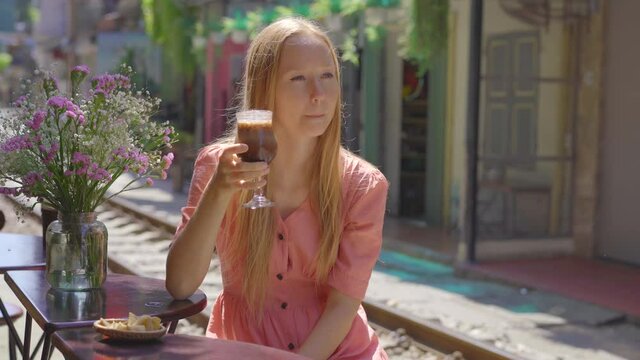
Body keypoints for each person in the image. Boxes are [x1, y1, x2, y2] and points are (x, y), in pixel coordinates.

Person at [166, 18, 389, 360]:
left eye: (328, 76)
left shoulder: (362, 185)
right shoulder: (217, 165)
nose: (318, 94)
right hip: (244, 349)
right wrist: (218, 192)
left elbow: (343, 307)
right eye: (298, 79)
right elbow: (180, 285)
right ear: (264, 89)